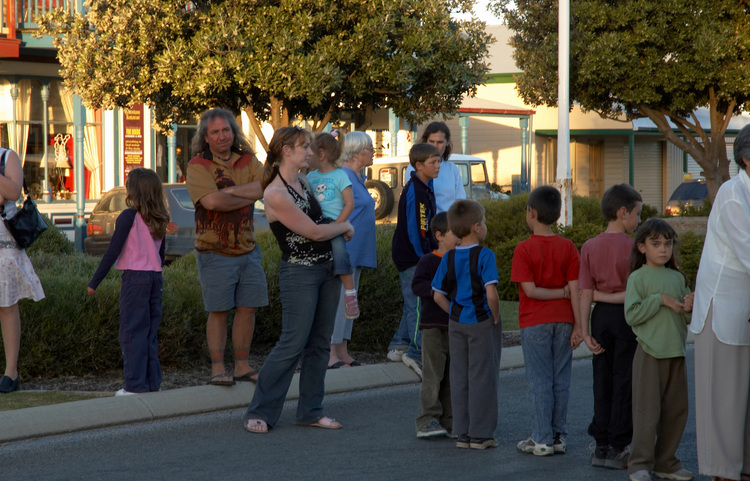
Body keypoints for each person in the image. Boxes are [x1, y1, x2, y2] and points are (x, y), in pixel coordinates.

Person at [243, 126, 354, 434]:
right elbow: (315, 231)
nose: (310, 152)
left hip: (327, 270)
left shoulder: (304, 181)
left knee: (319, 344)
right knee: (292, 344)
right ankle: (261, 412)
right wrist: (344, 227)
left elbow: (319, 222)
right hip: (300, 273)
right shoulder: (274, 193)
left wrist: (335, 225)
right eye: (304, 147)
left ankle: (311, 411)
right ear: (286, 151)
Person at [186, 108, 268, 386]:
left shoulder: (249, 160)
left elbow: (265, 188)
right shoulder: (198, 164)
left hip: (248, 248)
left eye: (226, 130)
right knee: (219, 311)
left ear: (233, 132)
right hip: (214, 251)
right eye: (215, 132)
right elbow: (211, 203)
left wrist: (229, 193)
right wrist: (246, 195)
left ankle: (242, 366)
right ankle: (218, 369)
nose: (222, 136)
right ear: (205, 138)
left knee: (248, 308)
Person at [692, 123, 750, 481]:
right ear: (747, 158)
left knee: (743, 399)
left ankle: (743, 467)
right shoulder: (732, 194)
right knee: (724, 396)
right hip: (723, 306)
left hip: (744, 308)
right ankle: (723, 472)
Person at [511, 185, 582, 456]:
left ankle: (540, 438)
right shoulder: (568, 246)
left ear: (531, 212)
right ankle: (557, 436)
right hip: (564, 320)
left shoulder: (524, 249)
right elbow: (575, 290)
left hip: (534, 322)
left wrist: (557, 292)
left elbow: (530, 291)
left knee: (539, 380)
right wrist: (578, 325)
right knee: (560, 380)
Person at [87, 168, 169, 395]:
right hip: (155, 278)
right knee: (149, 334)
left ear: (134, 191)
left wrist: (94, 282)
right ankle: (153, 384)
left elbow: (112, 251)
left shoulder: (128, 217)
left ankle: (134, 386)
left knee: (131, 333)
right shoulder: (159, 218)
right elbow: (161, 255)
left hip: (135, 278)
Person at [624, 218, 694, 481]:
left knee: (676, 412)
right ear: (642, 247)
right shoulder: (638, 278)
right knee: (646, 411)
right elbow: (632, 315)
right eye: (655, 244)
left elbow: (687, 318)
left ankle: (667, 462)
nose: (663, 249)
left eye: (667, 243)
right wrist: (660, 300)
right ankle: (640, 463)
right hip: (650, 354)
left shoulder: (678, 277)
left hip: (676, 353)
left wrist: (689, 306)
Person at [579, 184, 642, 469]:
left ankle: (600, 444)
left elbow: (584, 292)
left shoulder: (590, 246)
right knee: (623, 380)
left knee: (601, 381)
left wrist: (584, 331)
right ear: (623, 212)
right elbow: (635, 292)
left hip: (599, 318)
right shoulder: (634, 247)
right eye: (637, 214)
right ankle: (618, 445)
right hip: (626, 318)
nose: (639, 221)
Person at [432, 199, 501, 449]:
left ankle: (462, 432)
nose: (484, 225)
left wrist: (453, 310)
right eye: (482, 222)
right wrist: (494, 316)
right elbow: (491, 293)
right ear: (476, 227)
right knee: (482, 376)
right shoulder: (486, 255)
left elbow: (437, 293)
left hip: (456, 322)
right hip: (481, 320)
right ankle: (481, 434)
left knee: (459, 376)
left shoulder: (448, 257)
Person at [388, 143, 441, 377]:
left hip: (415, 254)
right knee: (418, 304)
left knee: (413, 302)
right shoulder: (417, 190)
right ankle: (416, 352)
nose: (438, 166)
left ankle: (399, 345)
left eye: (438, 161)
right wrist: (426, 258)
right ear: (419, 165)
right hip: (413, 256)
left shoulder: (425, 186)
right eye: (433, 162)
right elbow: (417, 229)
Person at [327, 131, 377, 369]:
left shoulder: (357, 177)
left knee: (350, 302)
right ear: (356, 151)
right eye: (369, 148)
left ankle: (343, 351)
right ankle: (330, 354)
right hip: (345, 251)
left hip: (357, 251)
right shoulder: (343, 176)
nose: (373, 152)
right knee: (339, 303)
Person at [0, 147, 45, 394]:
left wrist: (3, 191)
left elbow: (12, 192)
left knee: (7, 306)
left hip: (5, 242)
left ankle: (11, 372)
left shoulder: (7, 157)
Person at [412, 212, 459, 438]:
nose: (459, 236)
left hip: (455, 327)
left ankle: (448, 420)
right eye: (454, 232)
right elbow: (417, 285)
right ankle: (426, 419)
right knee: (433, 374)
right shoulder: (428, 261)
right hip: (432, 327)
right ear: (439, 235)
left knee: (452, 375)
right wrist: (436, 291)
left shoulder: (459, 259)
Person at [306, 132, 359, 321]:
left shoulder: (340, 175)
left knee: (341, 255)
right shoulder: (310, 177)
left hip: (334, 223)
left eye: (309, 151)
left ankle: (350, 294)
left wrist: (338, 225)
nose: (307, 155)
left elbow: (350, 203)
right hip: (315, 224)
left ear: (321, 155)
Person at [405, 121, 466, 213]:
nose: (435, 146)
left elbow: (460, 201)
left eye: (440, 142)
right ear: (426, 141)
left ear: (447, 142)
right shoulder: (415, 168)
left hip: (449, 223)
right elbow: (413, 200)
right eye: (431, 141)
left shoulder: (452, 169)